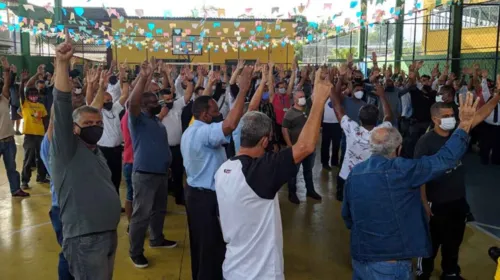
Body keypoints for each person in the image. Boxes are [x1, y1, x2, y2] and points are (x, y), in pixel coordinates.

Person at [341, 93, 479, 279]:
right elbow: (444, 159)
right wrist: (464, 125)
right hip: (391, 263)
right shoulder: (402, 171)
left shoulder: (355, 173)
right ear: (398, 149)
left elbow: (348, 217)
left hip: (360, 257)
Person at [214, 70, 332, 280]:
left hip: (232, 268)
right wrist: (319, 101)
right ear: (265, 141)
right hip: (260, 274)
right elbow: (305, 146)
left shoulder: (223, 170)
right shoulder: (259, 173)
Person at [51, 32, 121, 279]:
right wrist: (62, 64)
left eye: (98, 122)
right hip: (85, 240)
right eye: (88, 123)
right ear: (74, 128)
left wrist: (100, 87)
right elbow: (61, 106)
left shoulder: (95, 150)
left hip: (107, 234)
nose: (96, 126)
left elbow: (96, 107)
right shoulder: (67, 151)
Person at [415, 86, 500, 279]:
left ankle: (450, 272)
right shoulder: (425, 142)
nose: (451, 119)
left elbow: (479, 114)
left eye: (452, 114)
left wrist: (497, 97)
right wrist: (423, 203)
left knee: (454, 240)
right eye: (446, 116)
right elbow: (420, 176)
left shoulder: (458, 132)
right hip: (435, 201)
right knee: (430, 242)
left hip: (457, 200)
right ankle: (424, 272)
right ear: (435, 120)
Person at [180, 64, 253, 280]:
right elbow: (230, 125)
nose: (218, 113)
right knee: (209, 248)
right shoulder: (203, 133)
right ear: (204, 115)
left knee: (202, 245)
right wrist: (243, 90)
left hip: (197, 193)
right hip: (204, 197)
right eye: (214, 111)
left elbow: (213, 110)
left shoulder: (193, 129)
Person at [128, 60, 177, 268]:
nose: (158, 103)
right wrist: (142, 77)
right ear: (144, 105)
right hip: (145, 174)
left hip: (160, 172)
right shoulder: (137, 120)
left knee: (159, 210)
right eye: (153, 101)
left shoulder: (157, 120)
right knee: (141, 215)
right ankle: (135, 251)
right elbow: (132, 103)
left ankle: (157, 239)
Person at [330, 68, 393, 202]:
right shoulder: (381, 132)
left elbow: (336, 105)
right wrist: (382, 95)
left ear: (359, 118)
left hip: (348, 175)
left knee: (346, 201)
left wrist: (338, 80)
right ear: (377, 120)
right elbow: (388, 116)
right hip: (370, 177)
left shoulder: (352, 129)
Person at [92, 65, 129, 206]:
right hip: (103, 150)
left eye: (109, 100)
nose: (108, 102)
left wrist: (123, 75)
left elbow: (125, 94)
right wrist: (99, 86)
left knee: (116, 178)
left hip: (116, 150)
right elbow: (92, 100)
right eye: (105, 100)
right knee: (104, 178)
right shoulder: (97, 112)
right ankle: (103, 204)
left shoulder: (114, 108)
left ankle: (115, 203)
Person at [282, 90, 322, 204]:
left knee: (308, 170)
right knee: (293, 172)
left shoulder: (308, 110)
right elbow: (284, 129)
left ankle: (310, 191)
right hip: (296, 147)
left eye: (304, 96)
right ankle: (292, 193)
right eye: (300, 97)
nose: (303, 99)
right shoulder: (290, 113)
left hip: (309, 147)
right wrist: (290, 146)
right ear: (294, 99)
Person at [159, 74, 193, 205]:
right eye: (166, 99)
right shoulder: (157, 109)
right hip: (163, 148)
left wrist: (188, 81)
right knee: (162, 175)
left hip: (177, 146)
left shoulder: (177, 105)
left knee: (178, 172)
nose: (170, 101)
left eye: (171, 98)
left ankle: (179, 196)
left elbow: (189, 94)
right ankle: (163, 198)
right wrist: (162, 114)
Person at [0, 57, 29, 197]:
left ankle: (15, 189)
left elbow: (6, 84)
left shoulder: (4, 99)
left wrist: (6, 69)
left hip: (9, 140)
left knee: (11, 167)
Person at [19, 69, 49, 188]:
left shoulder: (41, 105)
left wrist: (46, 131)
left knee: (41, 157)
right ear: (28, 96)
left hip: (40, 134)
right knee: (28, 157)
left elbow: (45, 119)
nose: (34, 97)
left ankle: (41, 177)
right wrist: (22, 82)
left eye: (35, 95)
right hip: (29, 135)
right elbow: (21, 93)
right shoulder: (25, 104)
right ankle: (25, 180)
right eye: (31, 95)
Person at [320, 99, 341, 170]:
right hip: (326, 123)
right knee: (325, 144)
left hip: (337, 123)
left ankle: (334, 162)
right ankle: (325, 163)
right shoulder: (324, 95)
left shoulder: (338, 95)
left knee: (336, 144)